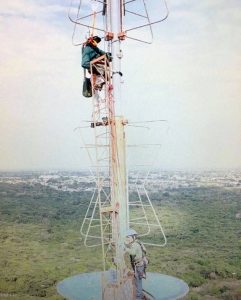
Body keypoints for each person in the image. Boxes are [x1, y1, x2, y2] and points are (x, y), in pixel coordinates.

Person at [125, 228, 147, 300]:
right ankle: (139, 295)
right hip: (140, 264)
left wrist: (125, 248)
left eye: (128, 237)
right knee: (138, 280)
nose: (127, 239)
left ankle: (138, 297)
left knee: (138, 282)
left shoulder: (135, 245)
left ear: (133, 237)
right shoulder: (138, 242)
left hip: (138, 265)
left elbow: (133, 252)